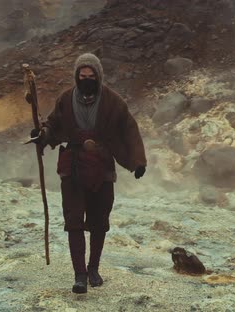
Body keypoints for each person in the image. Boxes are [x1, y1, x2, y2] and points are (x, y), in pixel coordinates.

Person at [29, 53, 147, 294]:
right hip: (72, 166)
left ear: (98, 76)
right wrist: (42, 135)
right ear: (76, 76)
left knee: (99, 221)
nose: (86, 80)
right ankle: (79, 275)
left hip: (102, 166)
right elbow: (52, 125)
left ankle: (94, 269)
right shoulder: (65, 99)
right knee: (74, 220)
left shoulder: (113, 102)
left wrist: (138, 162)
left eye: (91, 76)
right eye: (82, 76)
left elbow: (129, 129)